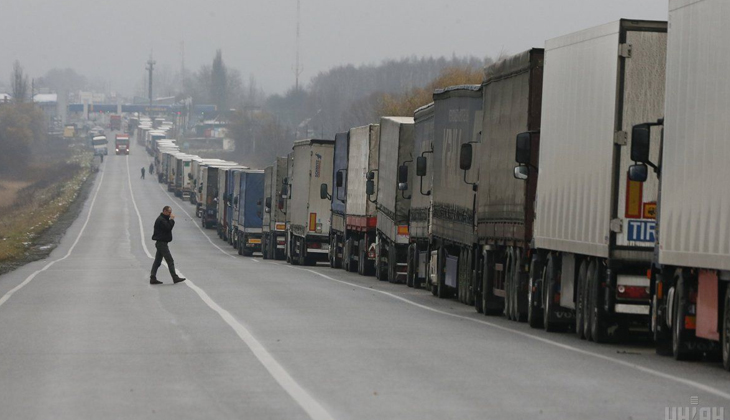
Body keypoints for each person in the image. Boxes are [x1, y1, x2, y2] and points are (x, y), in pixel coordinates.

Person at [150, 206, 186, 285]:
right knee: (170, 260)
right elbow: (168, 227)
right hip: (162, 244)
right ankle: (175, 277)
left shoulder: (163, 218)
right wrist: (172, 220)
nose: (170, 214)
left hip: (161, 243)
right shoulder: (161, 220)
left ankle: (153, 277)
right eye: (169, 212)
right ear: (165, 211)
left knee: (157, 261)